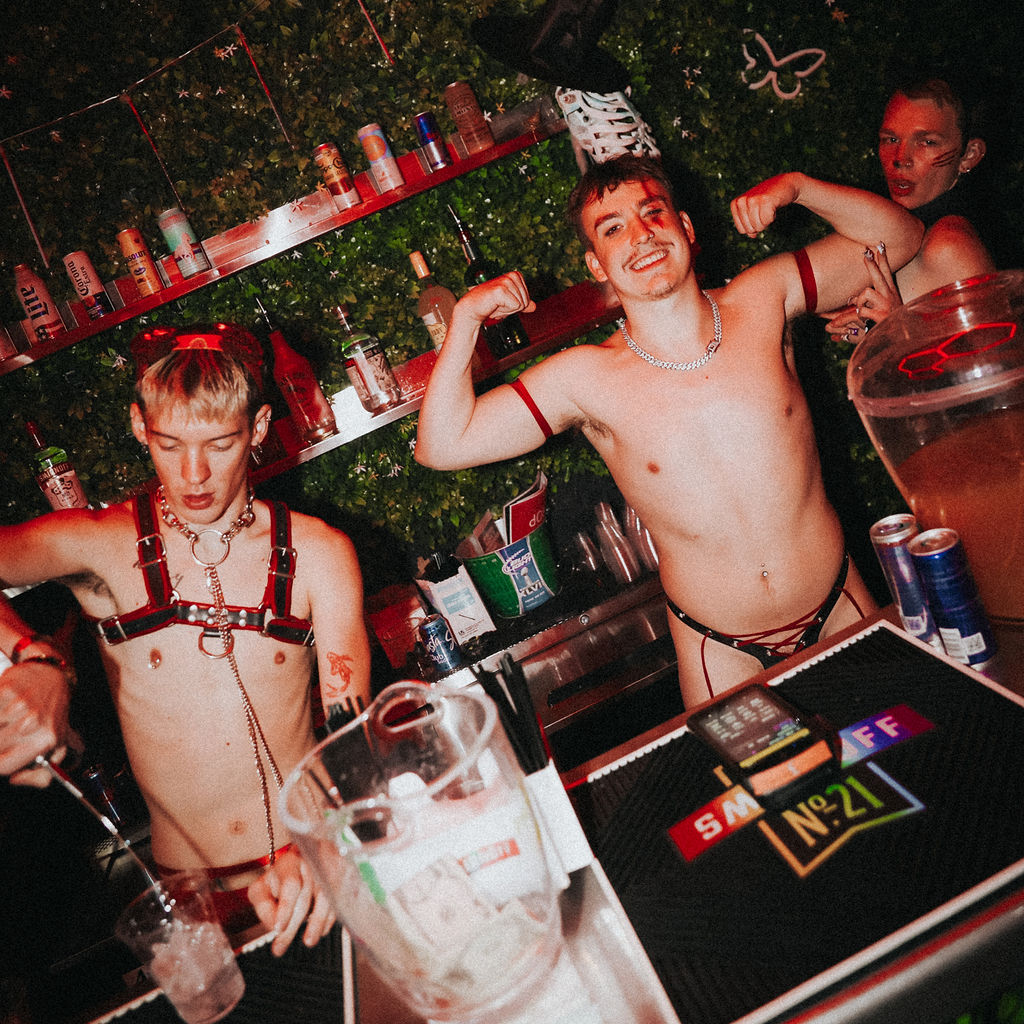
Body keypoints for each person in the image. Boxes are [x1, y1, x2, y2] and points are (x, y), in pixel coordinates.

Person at [416, 157, 924, 706]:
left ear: (686, 226)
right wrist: (466, 318)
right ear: (596, 265)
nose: (641, 235)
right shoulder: (583, 378)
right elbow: (442, 445)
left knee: (913, 749)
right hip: (719, 649)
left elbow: (902, 237)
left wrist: (799, 186)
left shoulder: (764, 297)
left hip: (840, 606)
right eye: (613, 228)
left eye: (652, 212)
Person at [0, 323, 370, 953]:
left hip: (317, 864)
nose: (194, 474)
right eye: (169, 445)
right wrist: (32, 658)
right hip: (193, 903)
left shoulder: (319, 553)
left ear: (258, 428)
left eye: (220, 444)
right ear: (140, 427)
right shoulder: (103, 544)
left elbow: (351, 730)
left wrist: (326, 842)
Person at [822, 77, 994, 342]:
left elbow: (993, 361)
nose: (901, 158)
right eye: (890, 139)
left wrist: (899, 329)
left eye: (927, 142)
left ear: (969, 155)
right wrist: (871, 335)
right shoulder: (909, 229)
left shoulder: (950, 244)